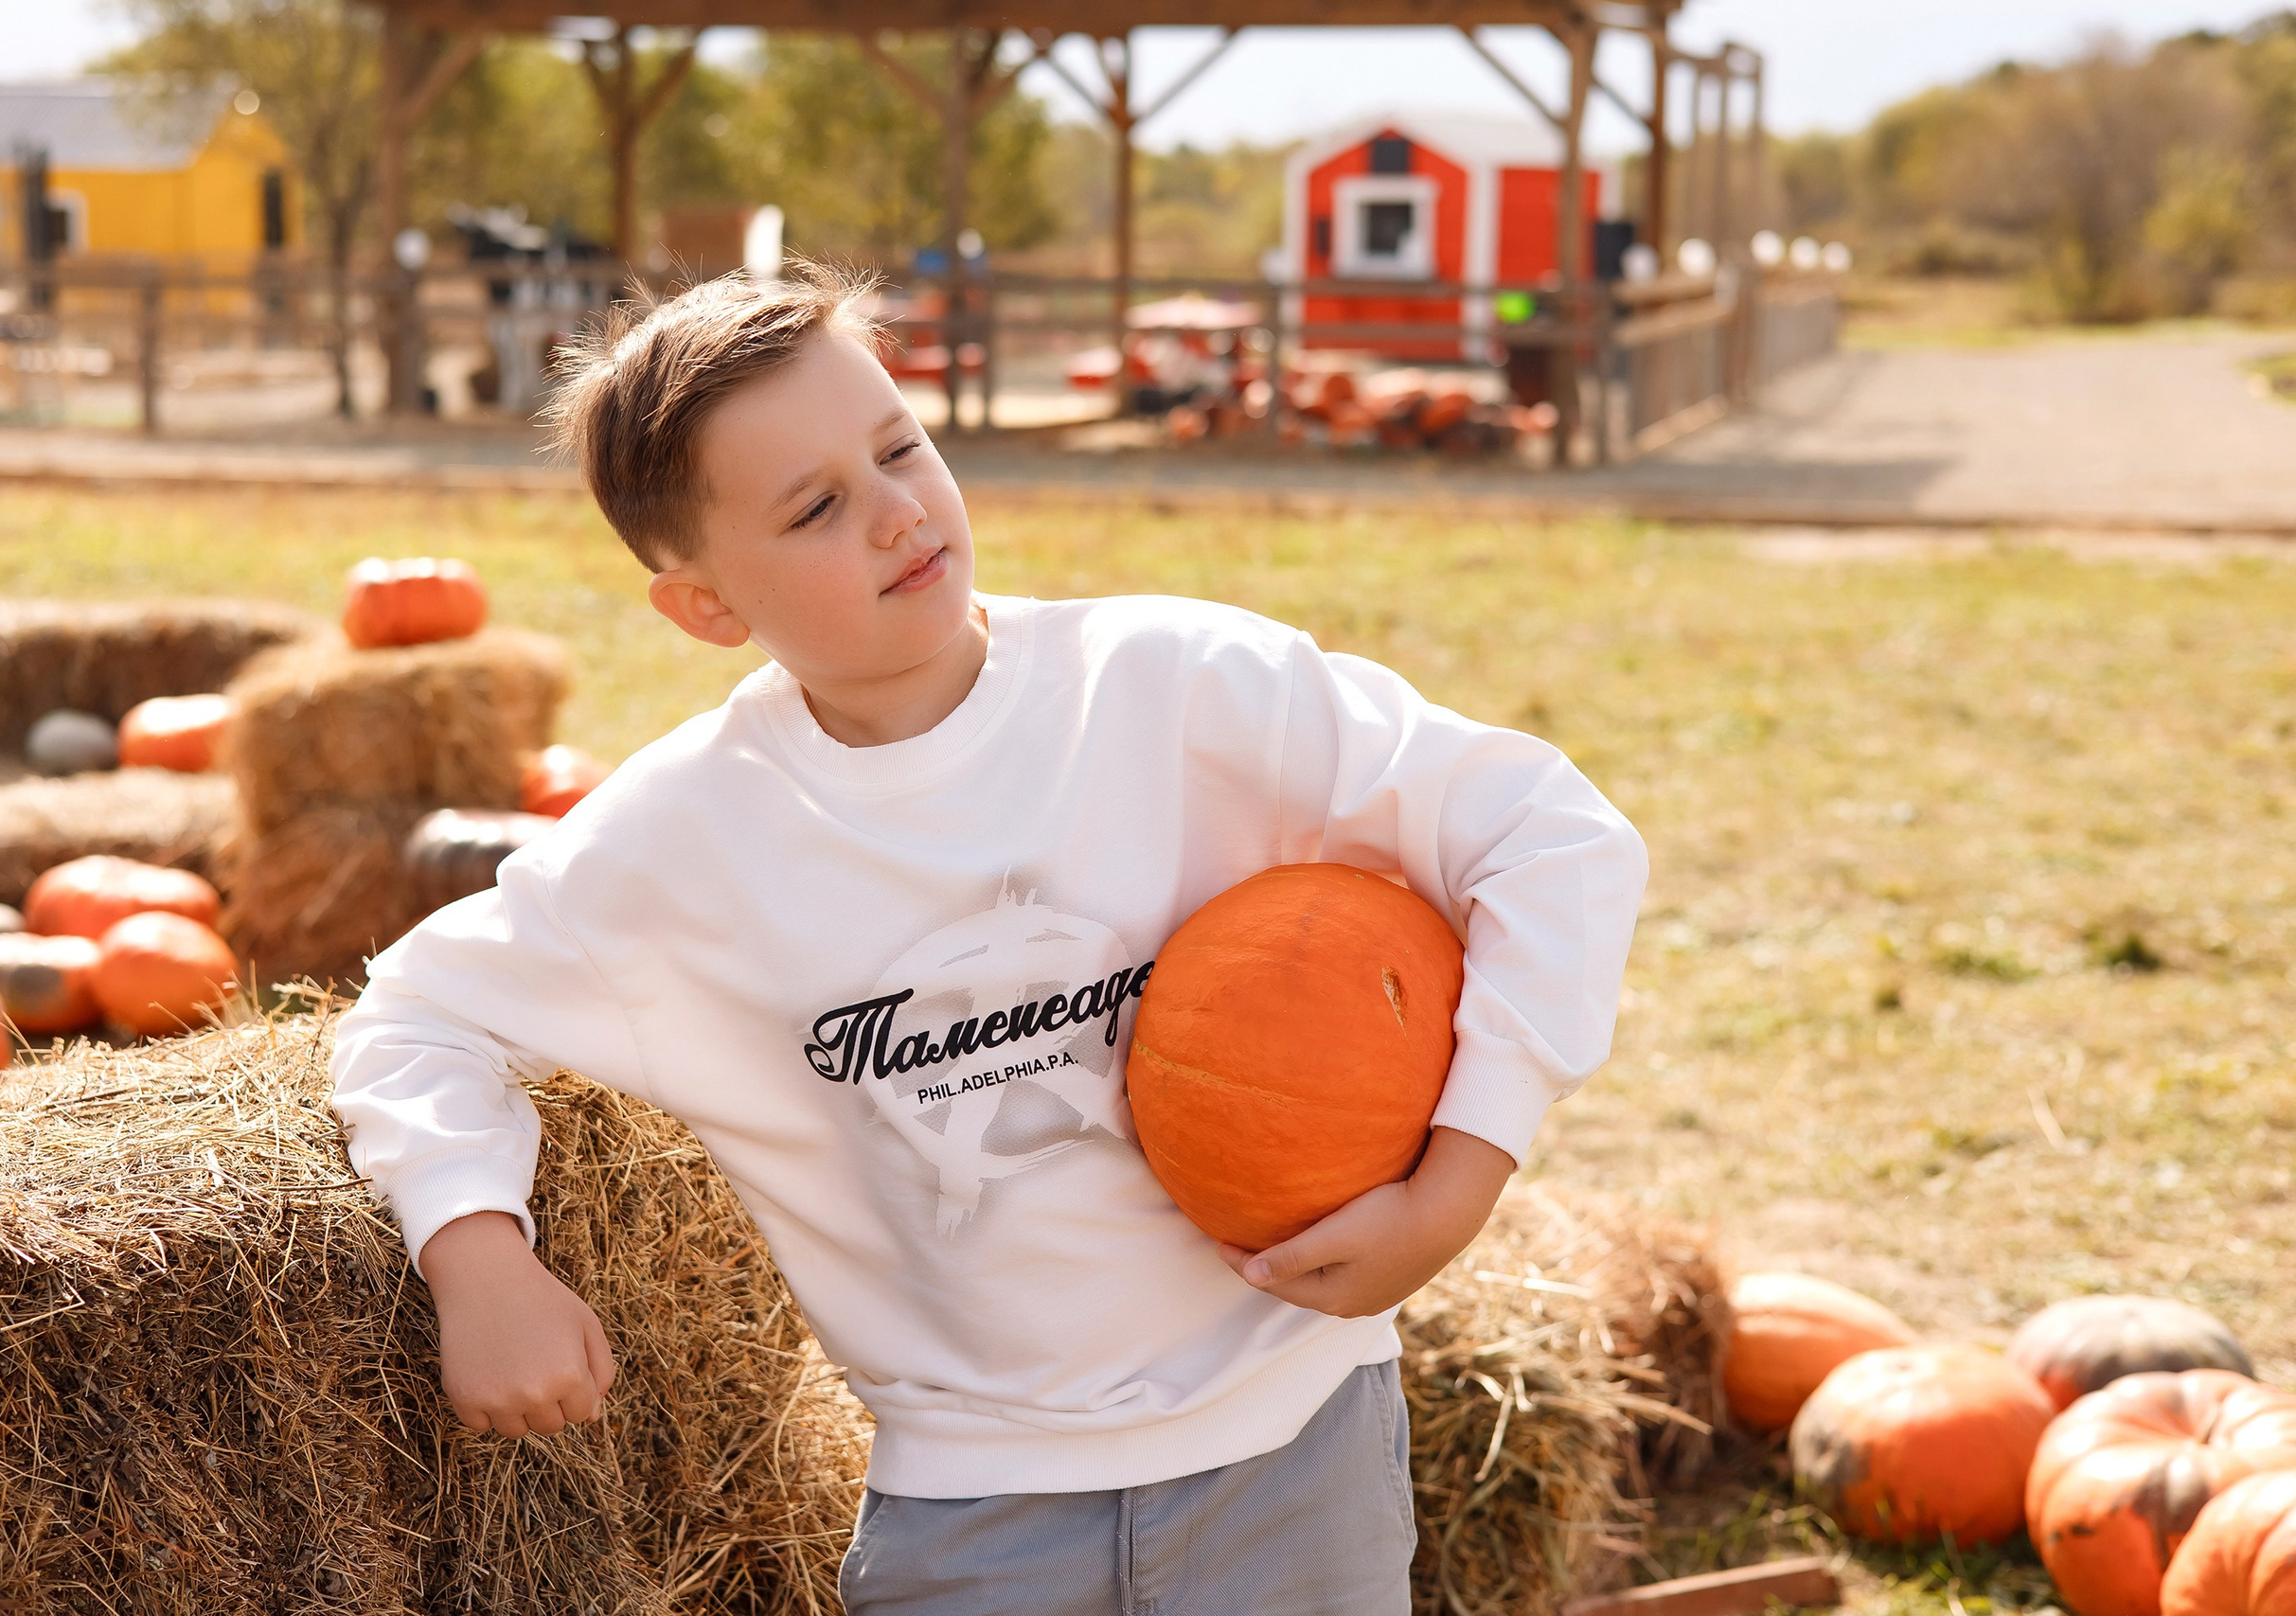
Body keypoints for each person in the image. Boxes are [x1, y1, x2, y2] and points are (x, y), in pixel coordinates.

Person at [329, 265, 1647, 1615]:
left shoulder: (1179, 689)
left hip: (1296, 1449)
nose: (899, 512)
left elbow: (1551, 835)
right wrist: (476, 1253)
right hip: (973, 1523)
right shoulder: (679, 847)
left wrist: (1458, 1181)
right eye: (816, 508)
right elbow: (415, 1018)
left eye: (900, 446)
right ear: (707, 606)